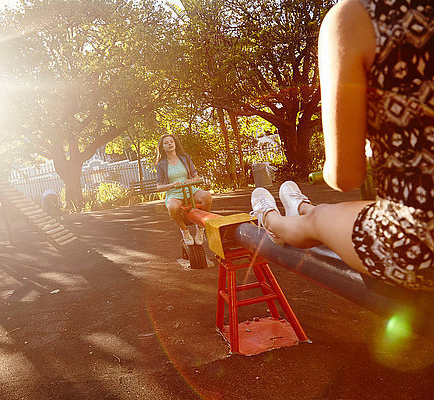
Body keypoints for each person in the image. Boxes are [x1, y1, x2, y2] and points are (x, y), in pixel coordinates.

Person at [250, 0, 434, 290]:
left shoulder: (353, 17)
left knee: (321, 219)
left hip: (421, 241)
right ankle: (300, 206)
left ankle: (270, 218)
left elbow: (344, 177)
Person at [155, 134, 212, 246]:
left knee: (207, 196)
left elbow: (196, 176)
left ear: (175, 143)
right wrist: (172, 185)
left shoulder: (185, 158)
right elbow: (159, 186)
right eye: (166, 143)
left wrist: (191, 181)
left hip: (190, 190)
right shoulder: (161, 165)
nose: (169, 144)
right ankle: (185, 231)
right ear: (162, 148)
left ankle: (200, 229)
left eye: (171, 141)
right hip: (174, 193)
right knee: (172, 207)